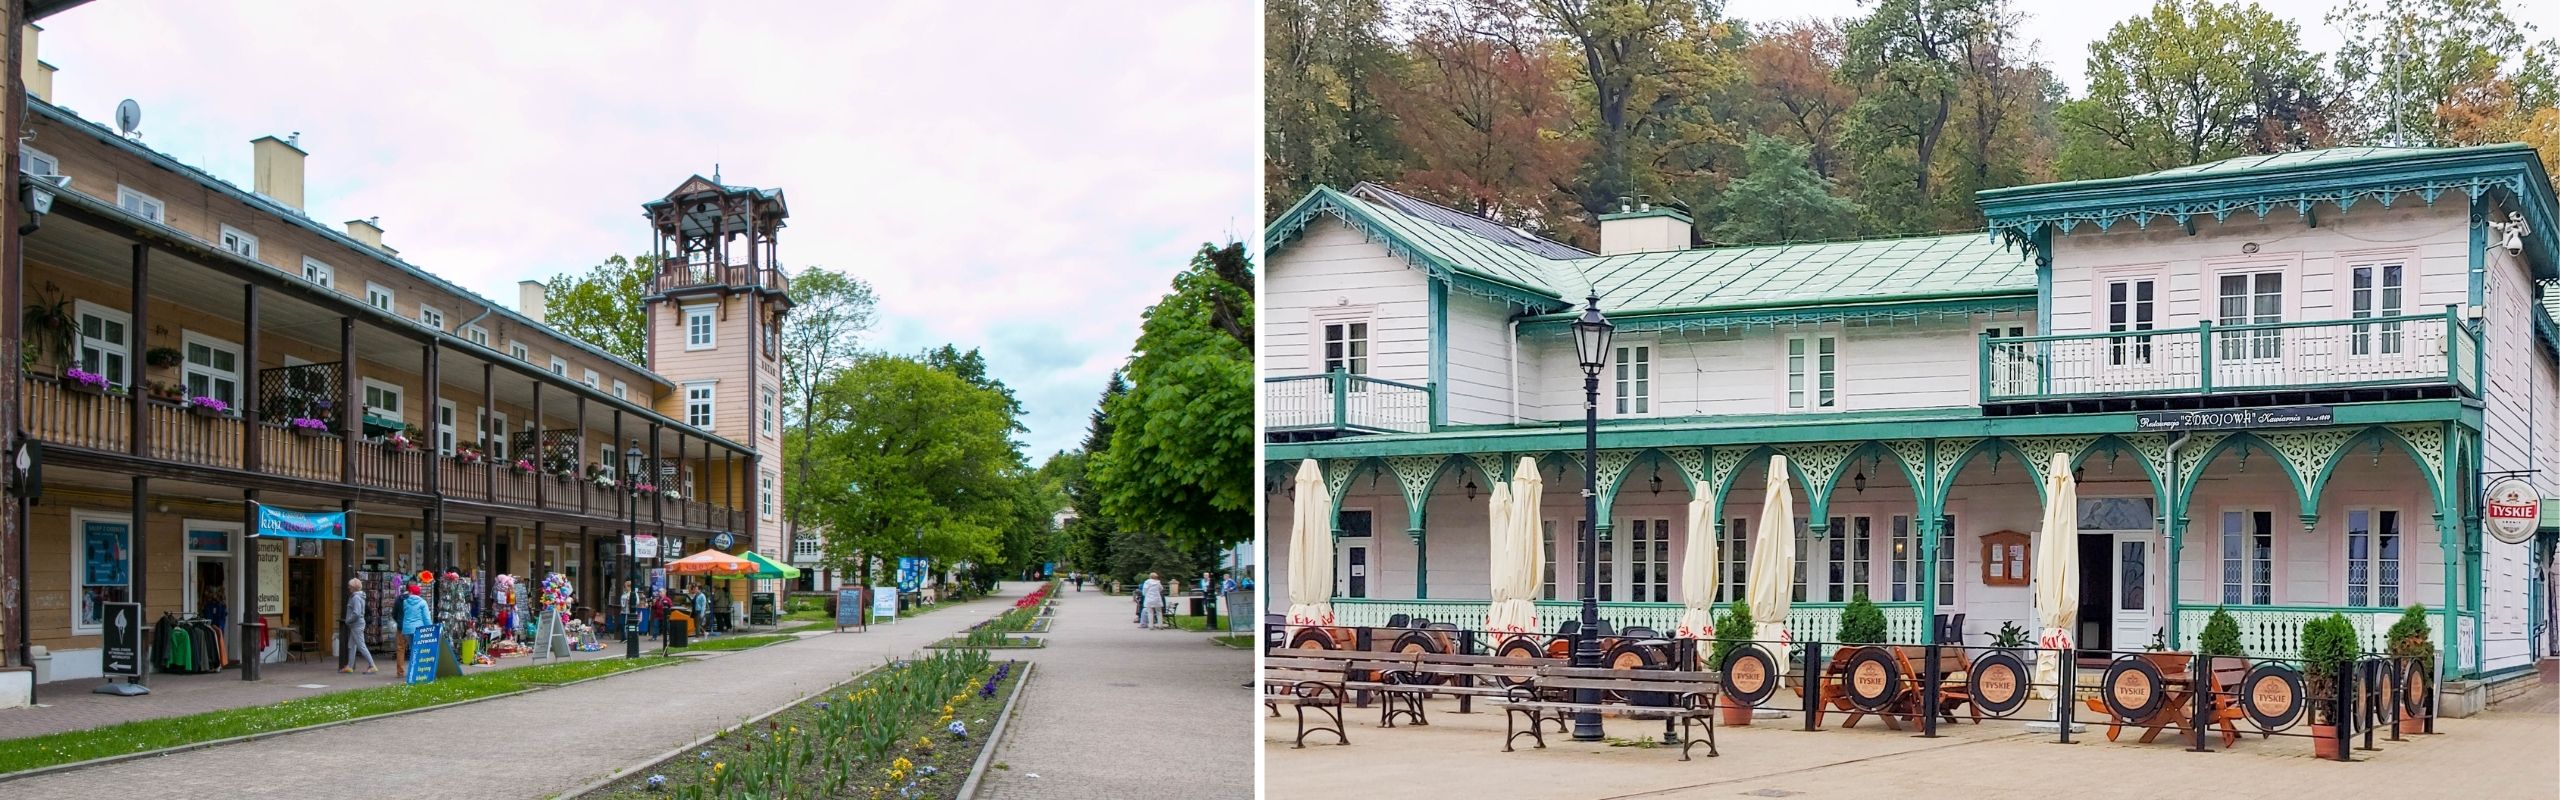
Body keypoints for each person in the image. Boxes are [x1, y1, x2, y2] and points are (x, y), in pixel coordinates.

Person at [342, 578, 376, 674]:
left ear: (353, 587)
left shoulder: (356, 597)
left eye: (350, 586)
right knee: (352, 645)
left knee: (361, 646)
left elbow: (356, 613)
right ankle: (349, 666)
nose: (348, 587)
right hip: (356, 624)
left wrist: (348, 620)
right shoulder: (358, 596)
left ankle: (372, 665)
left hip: (356, 624)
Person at [398, 583, 432, 661]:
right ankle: (418, 666)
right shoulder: (423, 602)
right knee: (420, 648)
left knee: (412, 648)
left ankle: (413, 665)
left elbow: (403, 614)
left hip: (407, 628)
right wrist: (429, 628)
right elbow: (426, 618)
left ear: (411, 592)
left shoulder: (405, 602)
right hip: (418, 628)